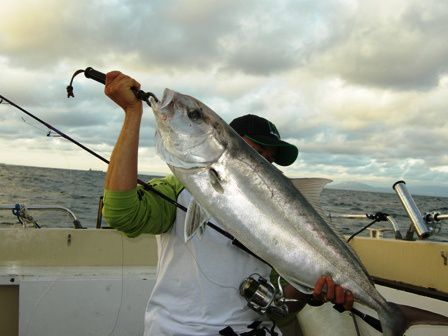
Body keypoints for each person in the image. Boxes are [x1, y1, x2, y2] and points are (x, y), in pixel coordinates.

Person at [102, 71, 354, 336]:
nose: (263, 165)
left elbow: (284, 305)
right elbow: (122, 214)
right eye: (254, 153)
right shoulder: (178, 189)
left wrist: (314, 292)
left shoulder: (281, 213)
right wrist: (132, 113)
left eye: (269, 159)